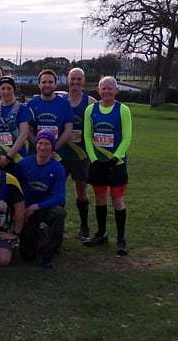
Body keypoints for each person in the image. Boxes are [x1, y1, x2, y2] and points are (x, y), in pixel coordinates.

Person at [83, 76, 132, 257]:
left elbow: (127, 137)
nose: (106, 92)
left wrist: (115, 158)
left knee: (117, 200)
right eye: (103, 88)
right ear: (98, 90)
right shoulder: (90, 109)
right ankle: (101, 234)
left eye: (110, 88)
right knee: (100, 199)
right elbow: (87, 136)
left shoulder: (123, 110)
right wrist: (94, 159)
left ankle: (121, 238)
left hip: (116, 165)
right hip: (97, 164)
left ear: (116, 90)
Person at [15, 130, 67, 269]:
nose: (43, 147)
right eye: (40, 143)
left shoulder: (57, 168)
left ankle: (48, 254)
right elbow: (15, 191)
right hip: (26, 208)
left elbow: (60, 198)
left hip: (44, 207)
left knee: (59, 213)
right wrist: (22, 210)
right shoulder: (23, 164)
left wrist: (36, 206)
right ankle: (41, 235)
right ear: (35, 144)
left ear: (53, 147)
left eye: (47, 144)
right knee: (28, 256)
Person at [59, 67, 97, 242]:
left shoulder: (90, 102)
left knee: (81, 190)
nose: (75, 82)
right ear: (67, 80)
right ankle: (55, 225)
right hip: (61, 153)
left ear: (83, 80)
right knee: (57, 190)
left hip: (81, 154)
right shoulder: (61, 101)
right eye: (72, 79)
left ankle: (84, 225)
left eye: (78, 79)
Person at [0, 76, 31, 174]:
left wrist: (8, 156)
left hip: (17, 157)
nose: (6, 92)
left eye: (9, 88)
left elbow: (23, 135)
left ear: (14, 90)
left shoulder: (22, 108)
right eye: (3, 88)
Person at [26, 69, 74, 151]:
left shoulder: (64, 104)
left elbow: (68, 129)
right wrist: (39, 147)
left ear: (55, 84)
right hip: (35, 154)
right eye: (44, 82)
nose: (47, 85)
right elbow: (26, 129)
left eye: (50, 82)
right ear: (39, 84)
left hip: (57, 154)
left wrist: (54, 148)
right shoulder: (31, 104)